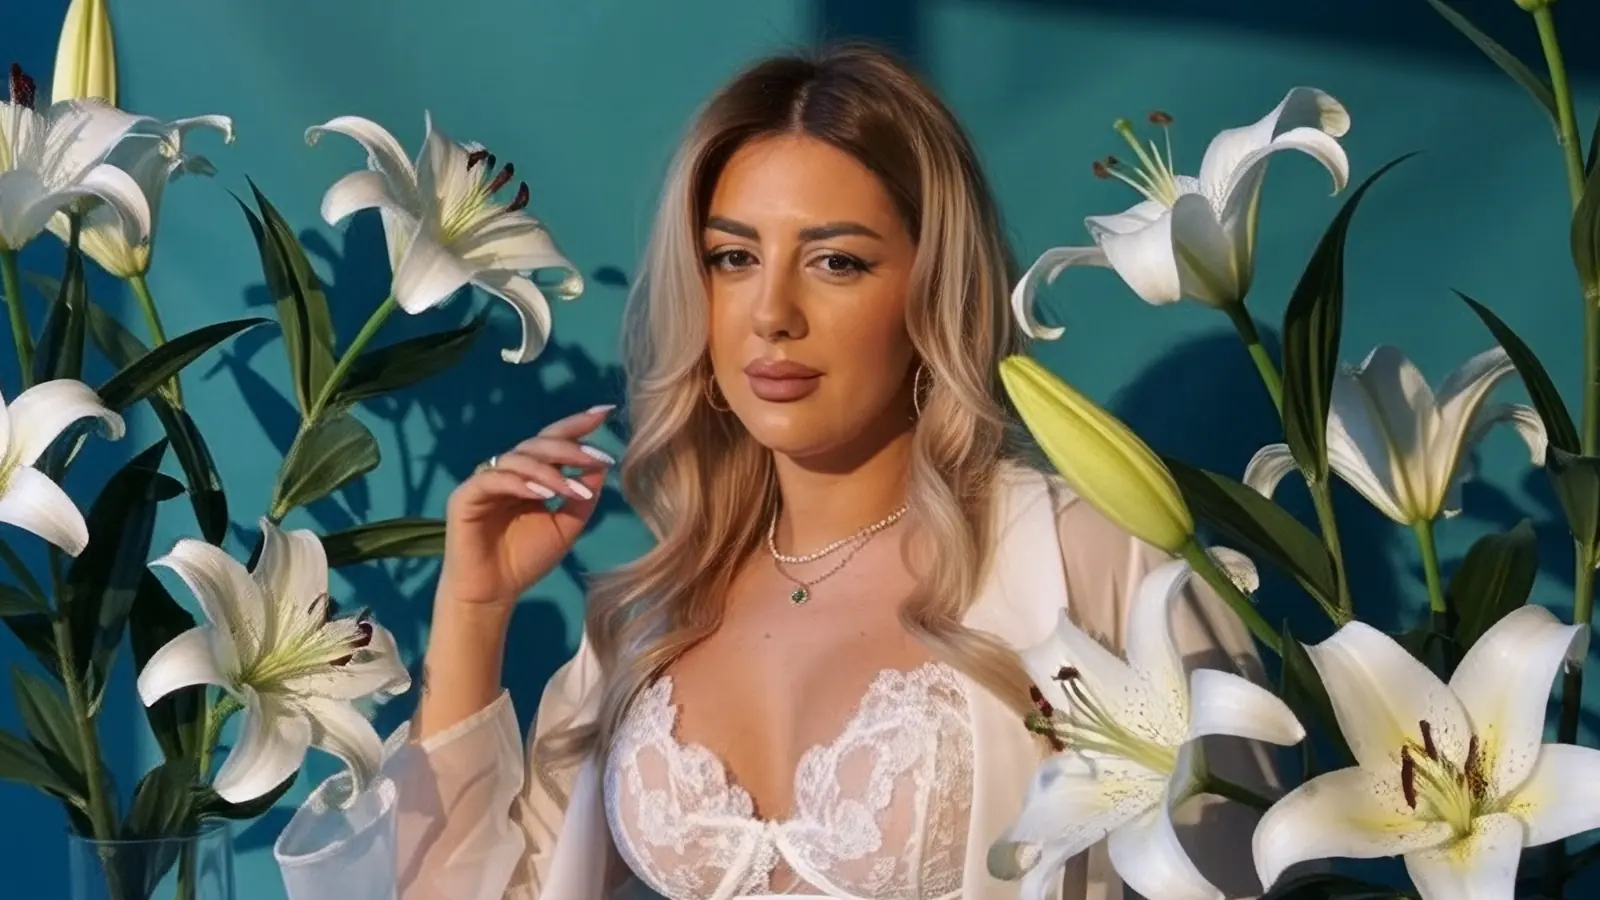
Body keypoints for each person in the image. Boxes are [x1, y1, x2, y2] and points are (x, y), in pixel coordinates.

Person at [274, 42, 1278, 900]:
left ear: (934, 286)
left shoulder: (1087, 560)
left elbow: (1229, 869)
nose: (771, 314)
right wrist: (473, 608)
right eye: (733, 258)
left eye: (836, 261)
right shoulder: (650, 616)